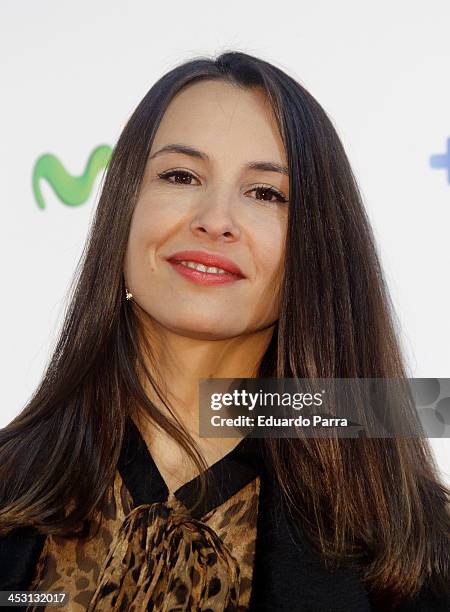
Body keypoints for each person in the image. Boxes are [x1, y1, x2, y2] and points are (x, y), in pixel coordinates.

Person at [0, 50, 449, 612]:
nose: (215, 219)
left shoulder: (418, 547)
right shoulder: (10, 482)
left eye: (266, 193)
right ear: (124, 209)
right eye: (180, 176)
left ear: (318, 246)